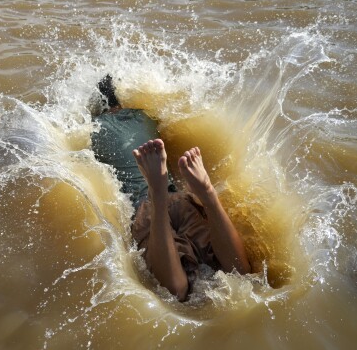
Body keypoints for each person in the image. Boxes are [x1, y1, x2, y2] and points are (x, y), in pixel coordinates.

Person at [91, 75, 251, 301]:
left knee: (177, 291)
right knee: (241, 275)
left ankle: (163, 192)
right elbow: (241, 272)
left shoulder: (116, 122)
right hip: (177, 200)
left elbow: (176, 289)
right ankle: (205, 195)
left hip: (146, 205)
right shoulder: (137, 118)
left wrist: (157, 191)